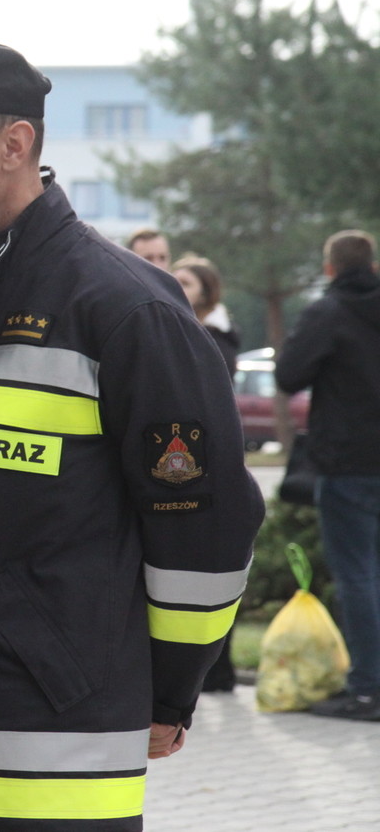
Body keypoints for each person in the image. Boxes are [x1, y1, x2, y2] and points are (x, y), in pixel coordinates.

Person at [0, 37, 265, 831]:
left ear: (15, 145)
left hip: (54, 767)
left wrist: (169, 693)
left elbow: (206, 532)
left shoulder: (127, 311)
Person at [275, 229, 380, 722]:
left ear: (330, 268)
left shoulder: (329, 312)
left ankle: (368, 689)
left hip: (347, 464)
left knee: (357, 575)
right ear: (372, 266)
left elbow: (288, 375)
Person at [170, 254, 242, 693]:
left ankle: (217, 669)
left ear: (207, 291)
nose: (176, 286)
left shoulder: (214, 337)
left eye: (186, 282)